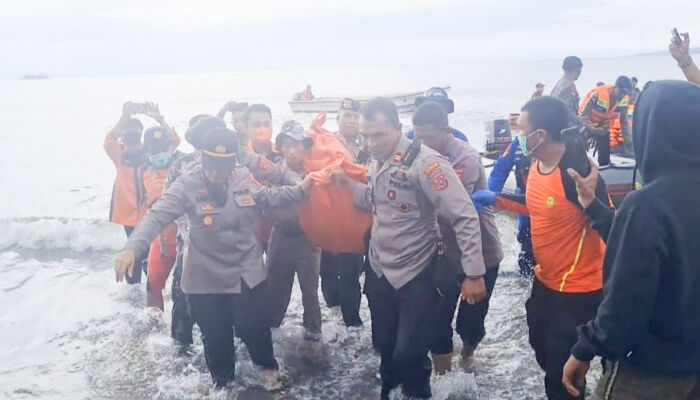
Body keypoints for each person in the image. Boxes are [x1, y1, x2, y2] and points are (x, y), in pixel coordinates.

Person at [114, 128, 314, 390]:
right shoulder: (187, 183)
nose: (214, 173)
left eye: (222, 167)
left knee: (254, 326)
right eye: (210, 165)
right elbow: (157, 215)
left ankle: (268, 369)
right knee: (216, 336)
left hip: (246, 270)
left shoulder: (242, 175)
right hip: (205, 277)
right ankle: (224, 385)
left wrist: (300, 190)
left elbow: (266, 196)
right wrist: (132, 247)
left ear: (233, 162)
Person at [333, 98, 486, 399]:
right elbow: (379, 201)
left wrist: (474, 273)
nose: (370, 142)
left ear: (398, 128)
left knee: (410, 355)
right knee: (385, 349)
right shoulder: (376, 161)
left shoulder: (427, 164)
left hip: (416, 274)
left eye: (378, 135)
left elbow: (464, 215)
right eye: (365, 135)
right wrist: (347, 186)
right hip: (379, 271)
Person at [561, 81, 700, 399]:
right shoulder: (650, 210)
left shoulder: (648, 205)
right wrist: (594, 208)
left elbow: (627, 301)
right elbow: (675, 250)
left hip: (652, 371)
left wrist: (586, 347)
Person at [471, 96, 613, 399]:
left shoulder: (577, 171)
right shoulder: (536, 165)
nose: (517, 140)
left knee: (560, 375)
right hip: (546, 281)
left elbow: (613, 228)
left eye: (522, 133)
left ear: (540, 135)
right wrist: (495, 199)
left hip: (580, 290)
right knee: (540, 345)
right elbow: (537, 206)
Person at [412, 102, 504, 374]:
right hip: (444, 251)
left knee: (471, 321)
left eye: (428, 138)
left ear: (447, 131)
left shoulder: (465, 158)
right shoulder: (417, 153)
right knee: (437, 317)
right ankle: (442, 377)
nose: (421, 143)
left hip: (481, 250)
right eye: (417, 137)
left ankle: (467, 355)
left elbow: (451, 206)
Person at [104, 101, 176, 284]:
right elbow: (108, 142)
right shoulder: (120, 153)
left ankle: (151, 287)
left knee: (149, 252)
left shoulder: (150, 151)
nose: (131, 135)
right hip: (128, 211)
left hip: (148, 210)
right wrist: (123, 118)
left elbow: (173, 141)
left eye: (135, 132)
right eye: (127, 132)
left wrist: (159, 119)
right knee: (134, 250)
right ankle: (133, 291)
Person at [265, 120, 323, 341]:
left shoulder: (316, 171)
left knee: (310, 292)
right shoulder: (272, 171)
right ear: (279, 148)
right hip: (280, 237)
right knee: (276, 291)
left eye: (297, 145)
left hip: (309, 240)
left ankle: (314, 335)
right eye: (287, 145)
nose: (293, 150)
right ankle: (271, 335)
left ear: (305, 147)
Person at [320, 99, 365, 328]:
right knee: (327, 270)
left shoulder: (368, 146)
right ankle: (332, 313)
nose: (351, 121)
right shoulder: (327, 144)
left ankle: (352, 323)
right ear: (337, 120)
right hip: (331, 219)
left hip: (357, 221)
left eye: (355, 117)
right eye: (346, 116)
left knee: (351, 272)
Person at [137, 126, 184, 310]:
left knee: (184, 291)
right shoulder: (144, 171)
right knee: (153, 285)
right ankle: (154, 331)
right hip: (161, 239)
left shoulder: (185, 163)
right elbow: (143, 204)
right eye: (154, 151)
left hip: (186, 237)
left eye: (164, 149)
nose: (160, 154)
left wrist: (160, 118)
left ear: (171, 146)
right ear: (147, 151)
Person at [488, 136, 535, 279]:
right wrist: (490, 198)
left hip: (551, 200)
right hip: (524, 195)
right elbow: (500, 170)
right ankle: (527, 276)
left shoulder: (559, 141)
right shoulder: (519, 143)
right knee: (525, 237)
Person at [579, 76, 633, 166]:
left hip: (602, 127)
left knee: (604, 135)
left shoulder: (624, 100)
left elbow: (624, 122)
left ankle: (605, 164)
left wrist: (629, 143)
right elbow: (582, 117)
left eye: (625, 93)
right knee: (580, 138)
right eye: (621, 92)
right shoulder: (597, 95)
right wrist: (591, 128)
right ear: (615, 87)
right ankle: (581, 165)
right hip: (586, 125)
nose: (622, 95)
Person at [550, 56, 583, 124]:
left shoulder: (559, 83)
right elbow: (567, 110)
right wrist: (579, 120)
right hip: (564, 126)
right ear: (578, 70)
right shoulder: (569, 85)